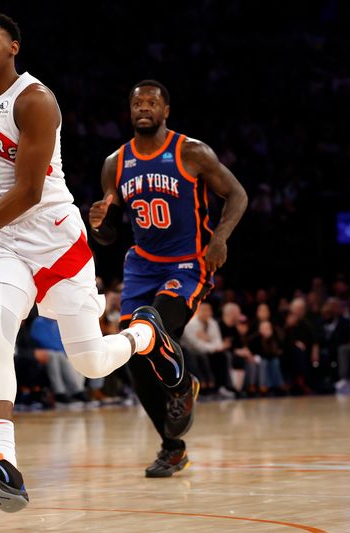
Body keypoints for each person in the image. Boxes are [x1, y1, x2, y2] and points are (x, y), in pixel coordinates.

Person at [0, 13, 185, 512]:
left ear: (14, 46)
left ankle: (145, 334)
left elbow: (28, 190)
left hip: (56, 239)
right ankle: (6, 464)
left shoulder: (36, 101)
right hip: (1, 242)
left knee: (90, 364)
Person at [89, 80, 247, 477]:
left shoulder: (191, 152)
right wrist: (100, 226)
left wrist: (221, 238)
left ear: (165, 111)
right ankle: (172, 447)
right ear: (130, 111)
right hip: (142, 265)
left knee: (151, 324)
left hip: (187, 264)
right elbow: (109, 235)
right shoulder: (115, 163)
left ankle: (182, 386)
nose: (144, 107)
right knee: (134, 358)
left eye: (152, 102)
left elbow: (238, 194)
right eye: (137, 102)